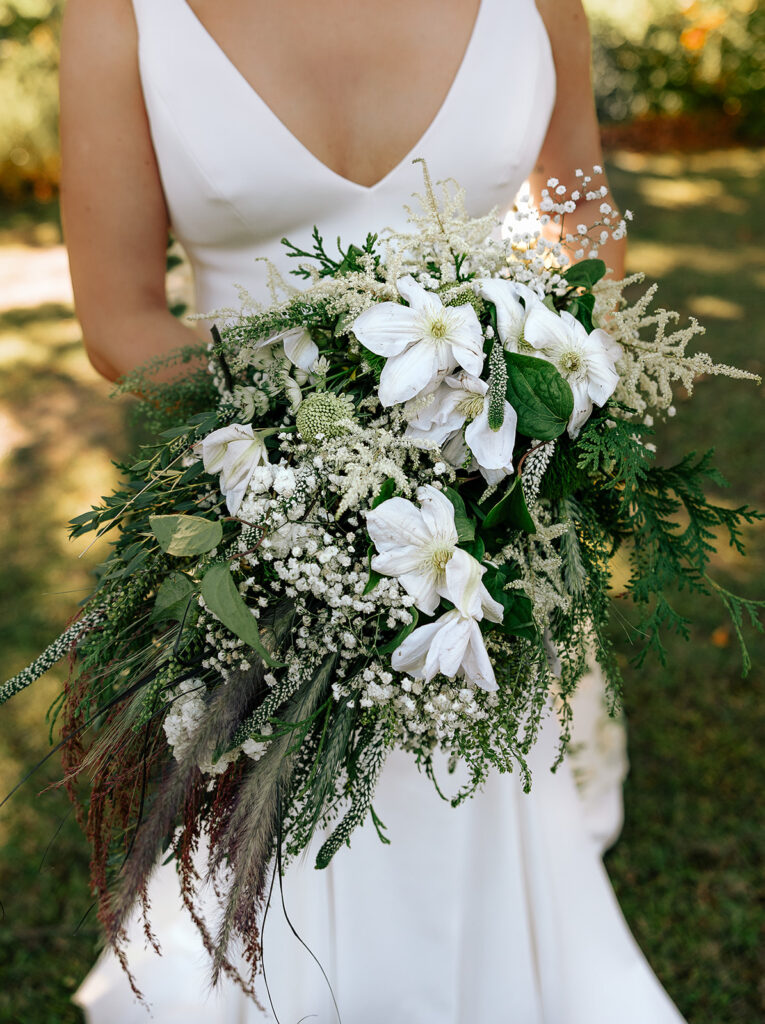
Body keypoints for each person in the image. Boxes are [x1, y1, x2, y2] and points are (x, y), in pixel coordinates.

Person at [60, 1, 683, 1020]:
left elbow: (582, 213)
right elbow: (118, 315)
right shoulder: (121, 14)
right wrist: (316, 459)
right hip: (268, 521)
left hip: (477, 513)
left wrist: (546, 366)